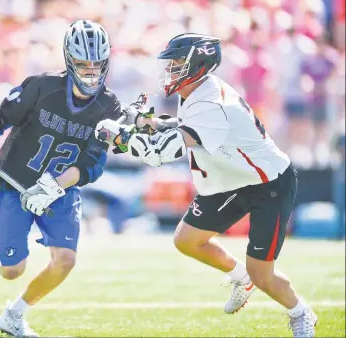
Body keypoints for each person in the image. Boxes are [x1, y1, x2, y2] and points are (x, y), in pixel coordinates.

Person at [96, 33, 317, 337]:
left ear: (197, 64)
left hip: (268, 184)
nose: (169, 70)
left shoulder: (211, 103)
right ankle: (241, 277)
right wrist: (151, 125)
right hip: (231, 179)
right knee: (187, 240)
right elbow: (185, 127)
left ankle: (300, 312)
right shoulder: (197, 92)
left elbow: (162, 153)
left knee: (262, 273)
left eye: (175, 64)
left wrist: (121, 138)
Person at [0, 20, 121, 337]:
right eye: (83, 64)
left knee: (65, 260)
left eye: (97, 64)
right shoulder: (41, 87)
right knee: (11, 270)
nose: (90, 71)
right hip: (16, 184)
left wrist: (54, 186)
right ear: (68, 60)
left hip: (61, 190)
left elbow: (93, 163)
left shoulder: (110, 106)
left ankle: (14, 315)